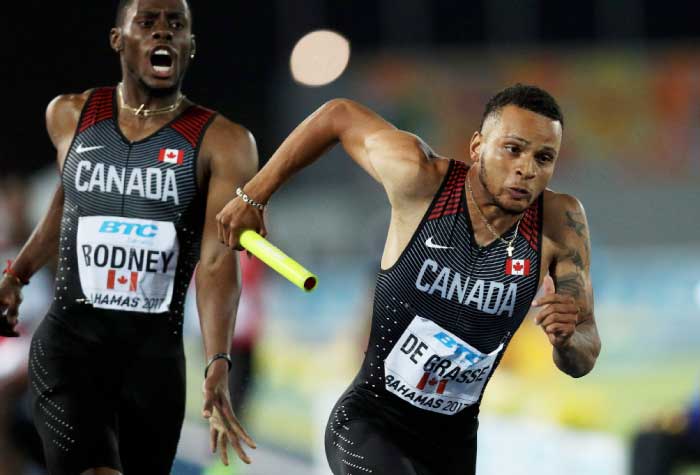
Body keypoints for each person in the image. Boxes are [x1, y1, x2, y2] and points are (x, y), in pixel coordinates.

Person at [216, 84, 602, 474]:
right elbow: (338, 115)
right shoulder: (421, 179)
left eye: (544, 157)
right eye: (513, 149)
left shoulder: (560, 224)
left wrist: (567, 339)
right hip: (370, 423)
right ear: (477, 146)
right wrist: (253, 197)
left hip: (453, 447)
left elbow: (584, 354)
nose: (527, 168)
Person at [0, 0, 257, 473]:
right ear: (119, 40)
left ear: (190, 46)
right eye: (148, 22)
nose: (163, 33)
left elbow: (218, 261)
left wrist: (218, 359)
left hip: (152, 361)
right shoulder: (70, 115)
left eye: (175, 25)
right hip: (69, 344)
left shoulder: (224, 142)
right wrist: (16, 274)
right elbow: (67, 205)